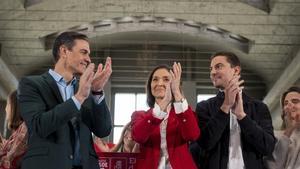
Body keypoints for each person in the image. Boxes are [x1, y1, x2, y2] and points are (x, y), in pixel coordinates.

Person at [18, 31, 112, 169]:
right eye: (83, 52)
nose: (88, 59)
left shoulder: (85, 88)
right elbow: (39, 126)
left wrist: (97, 91)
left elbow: (103, 130)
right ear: (64, 51)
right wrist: (78, 98)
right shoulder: (31, 84)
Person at [196, 51, 276, 169]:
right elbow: (205, 143)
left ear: (236, 70)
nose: (213, 72)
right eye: (211, 69)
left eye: (218, 67)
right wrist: (225, 106)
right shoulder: (204, 107)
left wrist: (242, 116)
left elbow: (268, 147)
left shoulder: (259, 107)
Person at [131, 63, 200, 169]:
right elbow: (139, 136)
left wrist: (176, 92)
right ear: (150, 86)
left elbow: (192, 135)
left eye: (166, 79)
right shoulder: (140, 115)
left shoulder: (183, 114)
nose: (159, 83)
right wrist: (163, 104)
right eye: (155, 79)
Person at [265, 86, 300, 169]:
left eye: (295, 101)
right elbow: (273, 167)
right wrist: (289, 130)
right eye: (286, 103)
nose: (289, 105)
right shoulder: (276, 136)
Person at [0, 90, 27, 169]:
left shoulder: (25, 127)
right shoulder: (20, 130)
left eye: (8, 104)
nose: (5, 109)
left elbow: (10, 162)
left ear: (15, 107)